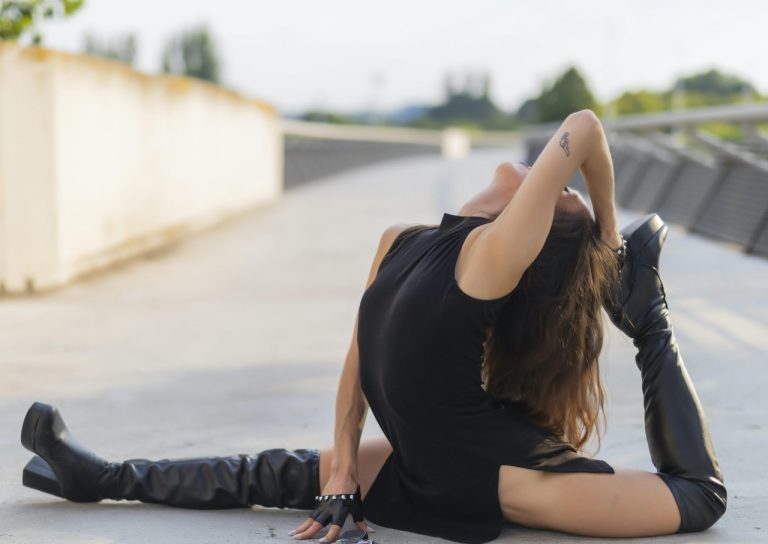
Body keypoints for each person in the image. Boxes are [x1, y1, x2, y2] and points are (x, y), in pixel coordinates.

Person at [19, 109, 726, 544]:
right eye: (565, 192)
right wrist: (339, 461)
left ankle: (651, 315)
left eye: (557, 199)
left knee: (696, 499)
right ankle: (101, 475)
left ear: (531, 234)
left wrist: (604, 244)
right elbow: (357, 364)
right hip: (433, 453)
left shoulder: (488, 260)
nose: (559, 185)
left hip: (493, 475)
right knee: (289, 472)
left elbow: (586, 131)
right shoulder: (402, 240)